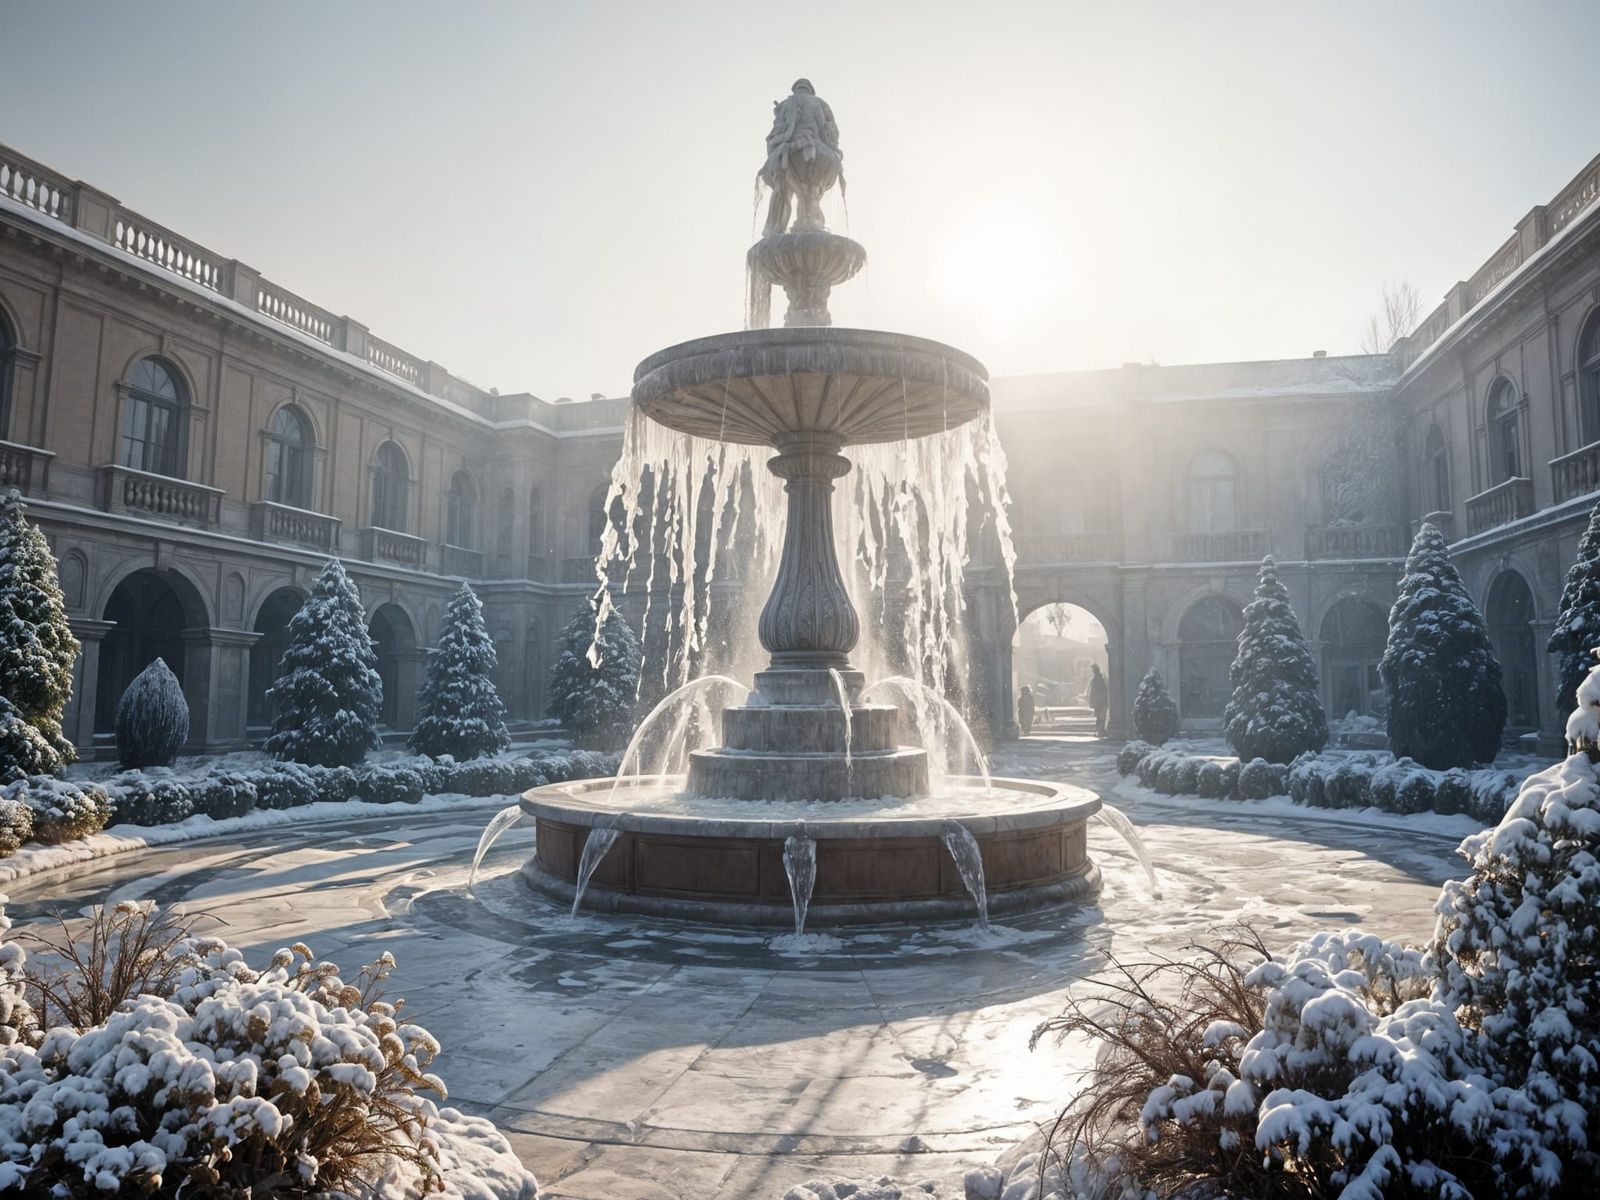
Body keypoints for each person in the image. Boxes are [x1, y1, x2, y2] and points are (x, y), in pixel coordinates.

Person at [1088, 664, 1110, 739]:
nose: (1093, 671)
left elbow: (1106, 688)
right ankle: (1100, 731)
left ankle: (1100, 731)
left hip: (1101, 701)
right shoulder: (1097, 679)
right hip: (1100, 701)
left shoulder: (1099, 678)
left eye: (1093, 670)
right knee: (1100, 717)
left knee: (1100, 717)